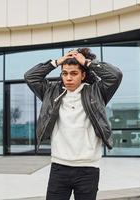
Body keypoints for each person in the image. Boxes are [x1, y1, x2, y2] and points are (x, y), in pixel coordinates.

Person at [24, 48, 122, 200]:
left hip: (88, 169)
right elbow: (30, 77)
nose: (68, 78)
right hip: (59, 167)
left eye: (74, 73)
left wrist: (87, 63)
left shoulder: (97, 92)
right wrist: (56, 62)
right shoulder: (51, 92)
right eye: (65, 73)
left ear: (83, 75)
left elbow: (115, 75)